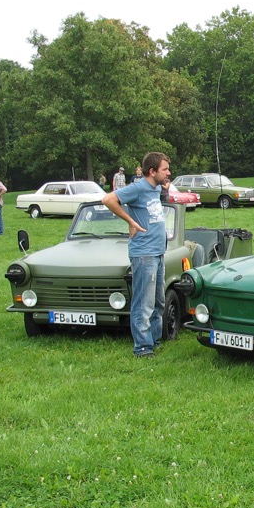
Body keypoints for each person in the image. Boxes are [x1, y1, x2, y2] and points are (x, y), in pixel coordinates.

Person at [101, 152, 171, 358]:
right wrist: (130, 221)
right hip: (144, 254)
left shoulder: (156, 187)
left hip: (158, 252)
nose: (169, 172)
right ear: (152, 171)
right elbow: (108, 199)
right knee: (144, 303)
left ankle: (155, 340)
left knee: (159, 301)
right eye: (165, 169)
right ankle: (142, 347)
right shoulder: (138, 187)